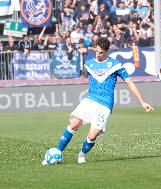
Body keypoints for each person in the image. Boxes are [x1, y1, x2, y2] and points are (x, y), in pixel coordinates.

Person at [42, 37, 153, 165]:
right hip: (90, 100)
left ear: (106, 51)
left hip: (105, 104)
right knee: (73, 124)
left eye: (100, 52)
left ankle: (81, 155)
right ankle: (57, 152)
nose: (98, 54)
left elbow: (129, 83)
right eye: (96, 51)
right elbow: (80, 74)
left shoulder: (116, 65)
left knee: (92, 136)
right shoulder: (89, 64)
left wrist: (142, 102)